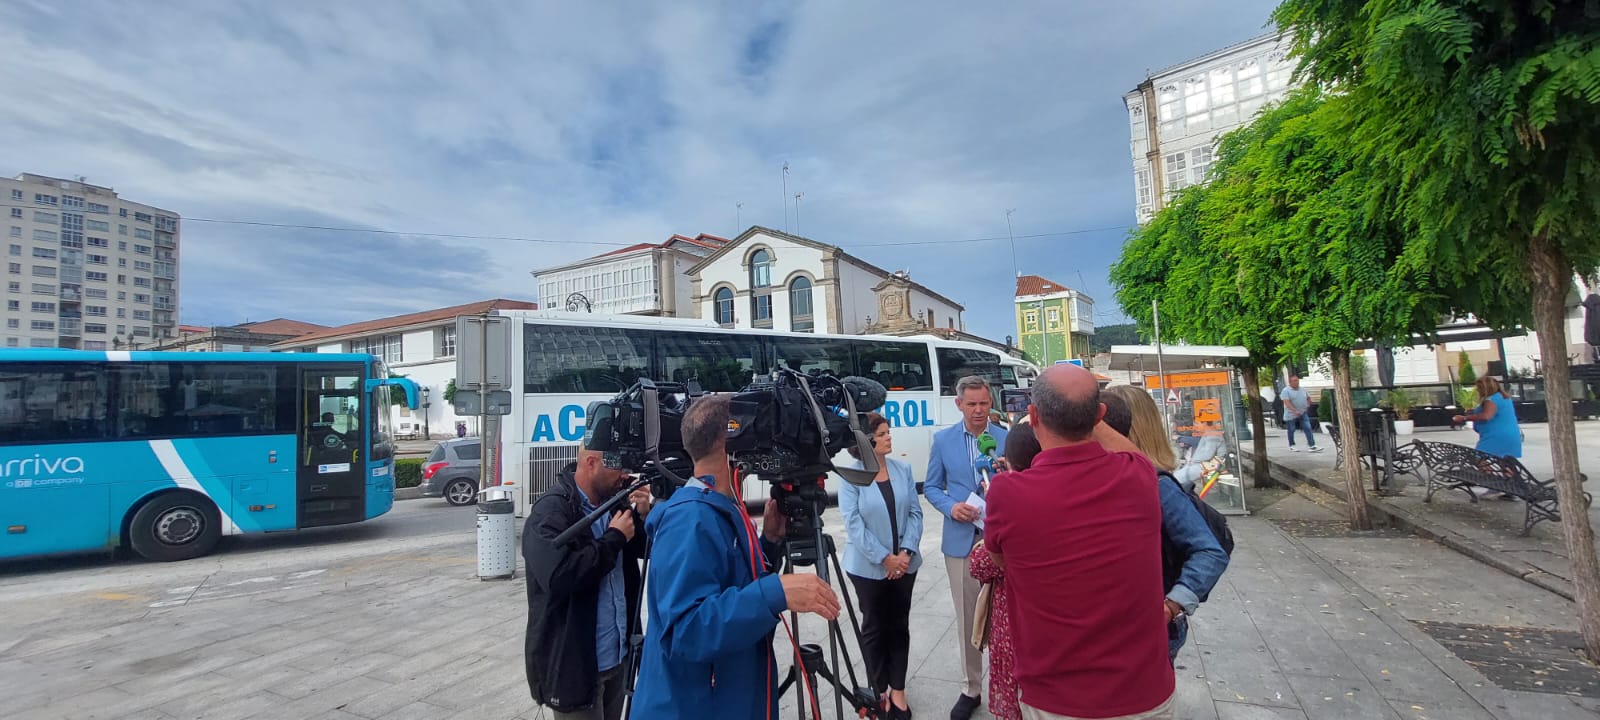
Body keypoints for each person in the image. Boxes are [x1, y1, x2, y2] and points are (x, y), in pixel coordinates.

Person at [631, 394, 841, 719]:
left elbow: (732, 586)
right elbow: (686, 631)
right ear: (732, 438)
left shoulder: (723, 508)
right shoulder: (691, 519)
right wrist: (777, 592)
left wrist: (769, 542)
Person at [985, 365, 1175, 719]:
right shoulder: (1137, 475)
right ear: (1099, 415)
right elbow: (1135, 452)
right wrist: (1090, 415)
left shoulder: (1007, 493)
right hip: (1144, 692)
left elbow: (1000, 561)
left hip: (1055, 697)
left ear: (1033, 415)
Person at [1105, 385, 1230, 663]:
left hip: (1152, 631)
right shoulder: (1127, 479)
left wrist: (1171, 606)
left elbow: (1210, 552)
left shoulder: (1158, 486)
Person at [523, 449, 650, 720]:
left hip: (618, 655)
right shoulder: (551, 511)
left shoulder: (615, 500)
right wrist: (614, 538)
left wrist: (642, 517)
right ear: (591, 463)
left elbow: (641, 549)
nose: (625, 475)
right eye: (618, 467)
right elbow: (559, 577)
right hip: (576, 665)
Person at [923, 376, 1008, 720]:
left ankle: (1010, 682)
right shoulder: (943, 441)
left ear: (991, 404)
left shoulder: (1006, 439)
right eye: (971, 404)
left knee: (1009, 617)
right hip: (961, 539)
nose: (978, 410)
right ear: (959, 404)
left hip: (1003, 540)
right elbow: (931, 487)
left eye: (983, 403)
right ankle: (971, 687)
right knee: (967, 618)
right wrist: (950, 507)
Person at [840, 413, 924, 719]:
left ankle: (898, 691)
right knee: (874, 629)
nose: (890, 437)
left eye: (889, 432)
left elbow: (915, 513)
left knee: (899, 626)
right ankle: (879, 692)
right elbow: (853, 525)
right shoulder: (850, 476)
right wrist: (884, 558)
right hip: (868, 569)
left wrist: (905, 552)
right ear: (866, 441)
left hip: (905, 565)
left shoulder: (902, 469)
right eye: (883, 433)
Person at [969, 423, 1043, 720]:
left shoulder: (1010, 503)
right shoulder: (1055, 494)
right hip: (1051, 622)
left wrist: (998, 500)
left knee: (1016, 699)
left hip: (1014, 622)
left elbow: (981, 564)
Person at [1454, 376, 1523, 495]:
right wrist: (1475, 411)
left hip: (1495, 435)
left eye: (1479, 388)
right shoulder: (1503, 398)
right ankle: (1510, 488)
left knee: (1479, 458)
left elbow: (1487, 416)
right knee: (1506, 461)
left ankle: (1493, 484)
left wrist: (1465, 418)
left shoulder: (1491, 400)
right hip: (1511, 434)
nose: (1477, 390)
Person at [1280, 375, 1321, 452]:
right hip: (1291, 414)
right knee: (1291, 429)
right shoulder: (1286, 390)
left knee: (1308, 428)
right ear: (1290, 382)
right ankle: (1292, 445)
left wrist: (1308, 404)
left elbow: (1308, 398)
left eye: (1297, 380)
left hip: (1303, 412)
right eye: (1294, 381)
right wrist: (1294, 411)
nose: (1297, 382)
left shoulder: (1302, 389)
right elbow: (1286, 402)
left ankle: (1312, 445)